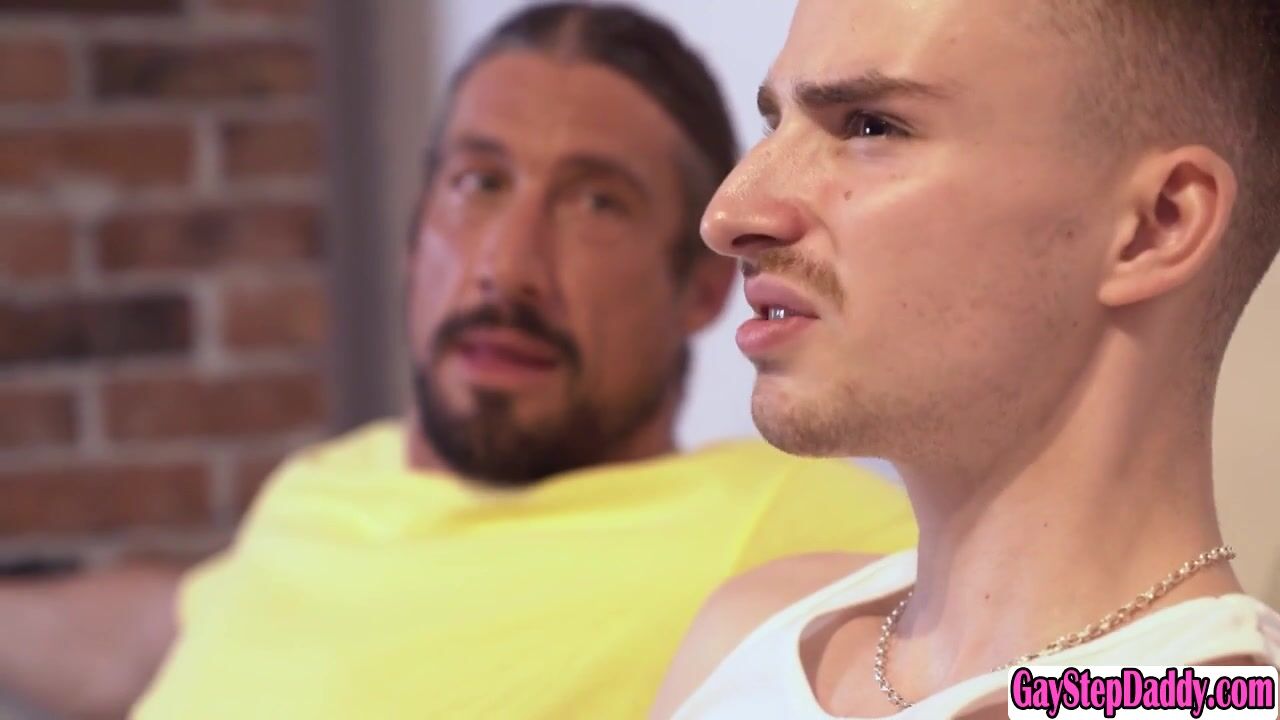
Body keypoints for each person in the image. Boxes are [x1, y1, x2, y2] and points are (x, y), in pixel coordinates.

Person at [116, 4, 916, 720]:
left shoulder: (781, 523)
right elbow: (161, 625)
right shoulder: (318, 486)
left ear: (703, 286)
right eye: (479, 183)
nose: (508, 267)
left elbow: (998, 650)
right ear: (416, 230)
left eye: (597, 202)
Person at [652, 0, 1280, 718]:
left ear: (1157, 225)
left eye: (871, 126)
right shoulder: (751, 629)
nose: (729, 215)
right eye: (775, 123)